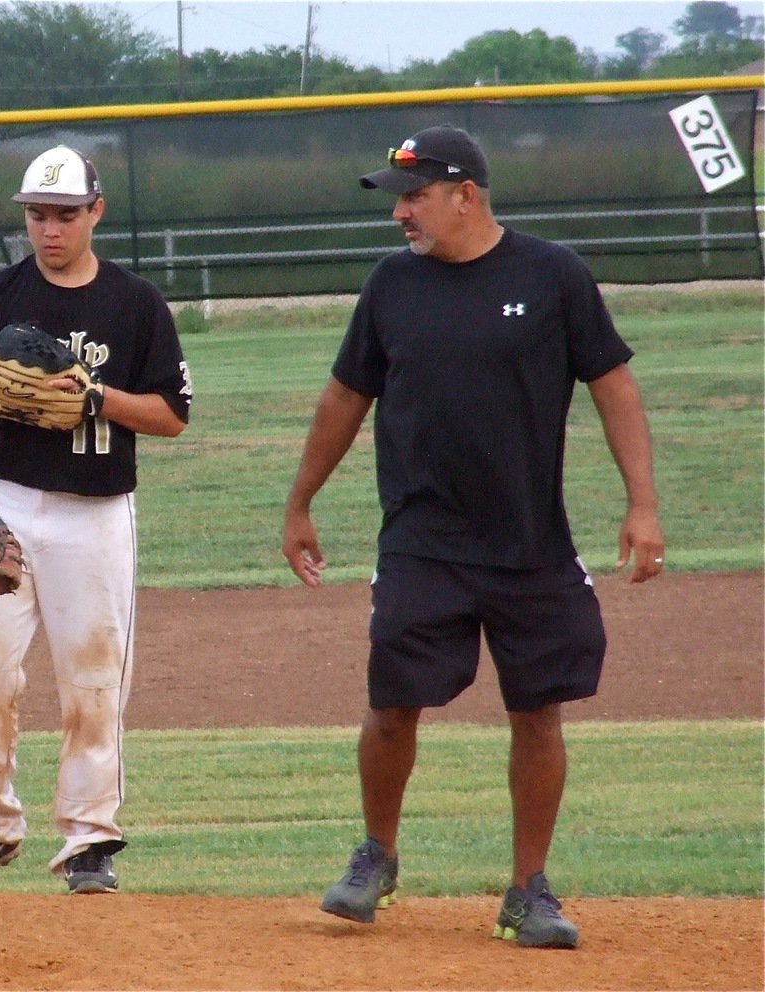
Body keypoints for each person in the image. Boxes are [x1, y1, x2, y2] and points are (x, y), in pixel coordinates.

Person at [281, 125, 665, 949]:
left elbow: (615, 387)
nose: (402, 215)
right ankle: (375, 857)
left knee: (538, 709)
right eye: (397, 199)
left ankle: (529, 890)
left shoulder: (552, 275)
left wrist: (643, 504)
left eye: (414, 197)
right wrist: (300, 502)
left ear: (467, 194)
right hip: (422, 537)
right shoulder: (391, 286)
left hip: (531, 540)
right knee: (392, 706)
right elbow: (344, 400)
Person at [0, 145, 192, 894]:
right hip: (5, 501)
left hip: (96, 513)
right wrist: (3, 393)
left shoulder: (135, 302)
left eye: (65, 215)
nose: (50, 230)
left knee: (93, 678)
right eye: (38, 215)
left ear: (95, 213)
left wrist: (94, 398)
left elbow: (172, 415)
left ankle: (89, 841)